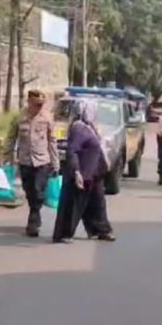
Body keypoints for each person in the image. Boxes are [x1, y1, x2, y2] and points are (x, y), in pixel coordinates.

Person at [52, 99, 116, 243]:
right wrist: (76, 172)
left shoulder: (89, 127)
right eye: (91, 110)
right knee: (74, 204)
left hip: (95, 173)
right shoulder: (79, 128)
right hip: (83, 173)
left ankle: (100, 230)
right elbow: (72, 151)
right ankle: (64, 233)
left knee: (97, 204)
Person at [5, 89, 59, 237]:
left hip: (42, 161)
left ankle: (33, 221)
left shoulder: (47, 117)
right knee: (29, 191)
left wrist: (56, 163)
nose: (39, 107)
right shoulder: (19, 117)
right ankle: (34, 215)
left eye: (41, 104)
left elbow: (52, 141)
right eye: (36, 104)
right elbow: (11, 138)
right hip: (25, 161)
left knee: (38, 191)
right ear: (29, 102)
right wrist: (7, 156)